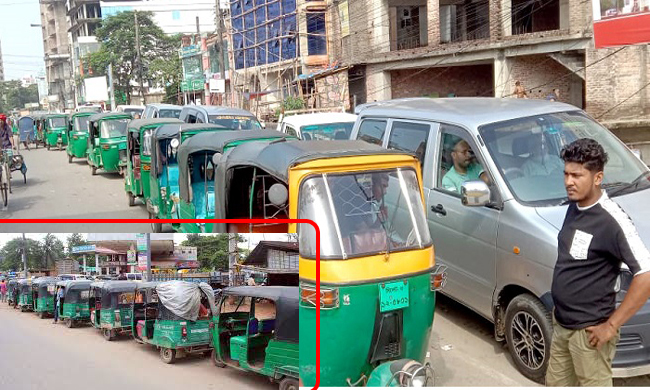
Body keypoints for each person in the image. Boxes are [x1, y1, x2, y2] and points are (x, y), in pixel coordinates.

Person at [545, 138, 650, 386]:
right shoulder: (575, 206)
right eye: (566, 174)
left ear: (597, 178)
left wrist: (611, 325)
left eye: (577, 175)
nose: (568, 182)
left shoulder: (612, 220)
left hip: (590, 335)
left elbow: (645, 273)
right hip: (562, 324)